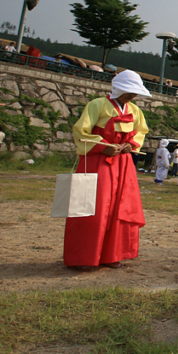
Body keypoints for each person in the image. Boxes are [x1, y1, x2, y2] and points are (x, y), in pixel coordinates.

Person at [64, 70, 151, 271]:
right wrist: (103, 146)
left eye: (135, 93)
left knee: (120, 208)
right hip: (99, 162)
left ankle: (113, 253)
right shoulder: (97, 105)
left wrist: (131, 144)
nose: (133, 96)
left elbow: (141, 132)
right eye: (130, 91)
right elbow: (81, 132)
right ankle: (84, 256)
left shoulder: (135, 110)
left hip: (123, 164)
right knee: (94, 207)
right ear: (119, 88)